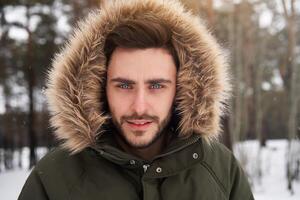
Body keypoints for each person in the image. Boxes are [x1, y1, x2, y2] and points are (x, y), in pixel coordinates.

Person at [18, 0, 254, 199]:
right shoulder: (54, 178)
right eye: (123, 85)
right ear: (99, 88)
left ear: (183, 89)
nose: (139, 106)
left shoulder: (220, 170)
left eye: (157, 86)